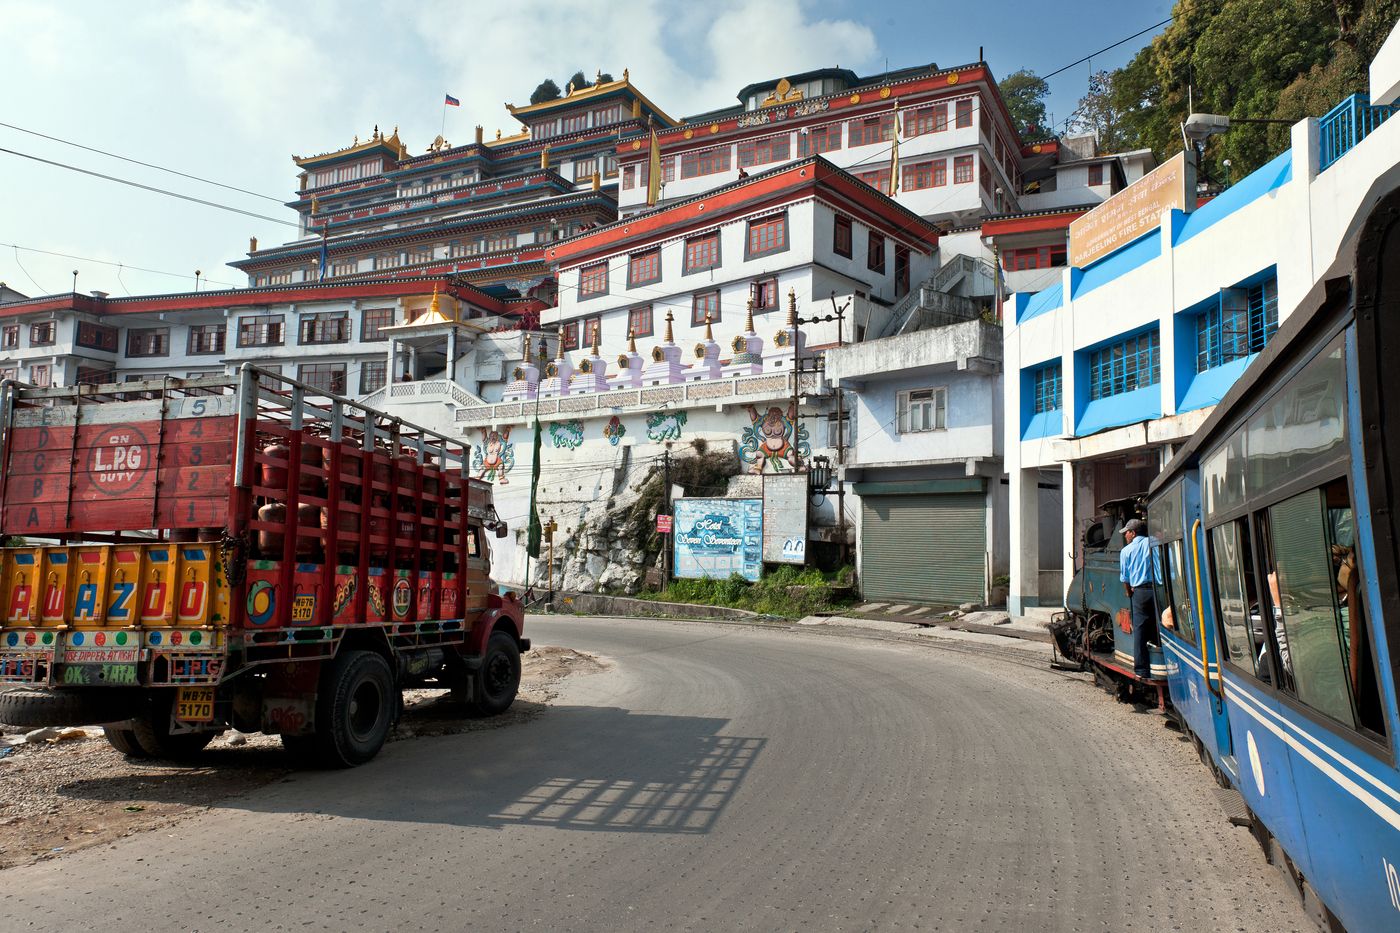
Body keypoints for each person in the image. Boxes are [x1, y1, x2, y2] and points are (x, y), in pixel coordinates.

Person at [1119, 518, 1158, 680]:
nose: (1125, 536)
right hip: (1158, 589)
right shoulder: (1154, 542)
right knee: (1159, 626)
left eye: (1126, 532)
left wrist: (1129, 593)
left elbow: (1125, 578)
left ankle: (1142, 670)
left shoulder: (1126, 551)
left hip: (1140, 593)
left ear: (1133, 533)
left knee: (1140, 630)